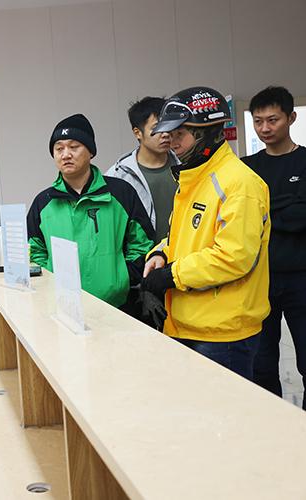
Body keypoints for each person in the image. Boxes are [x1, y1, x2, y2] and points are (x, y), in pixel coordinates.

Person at [143, 86, 270, 380]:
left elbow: (234, 256)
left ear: (209, 133)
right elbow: (182, 237)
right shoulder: (194, 178)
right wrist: (160, 254)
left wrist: (172, 275)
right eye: (169, 133)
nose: (172, 142)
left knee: (225, 409)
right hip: (188, 324)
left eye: (180, 134)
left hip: (223, 334)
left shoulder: (239, 183)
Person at [27, 113, 155, 310]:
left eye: (74, 147)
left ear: (91, 152)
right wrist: (51, 277)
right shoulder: (43, 202)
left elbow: (142, 243)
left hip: (117, 306)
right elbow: (34, 250)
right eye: (59, 148)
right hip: (63, 307)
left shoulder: (120, 193)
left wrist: (121, 278)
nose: (66, 154)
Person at [241, 86, 306, 407]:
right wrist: (287, 204)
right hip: (258, 279)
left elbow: (299, 218)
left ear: (291, 118)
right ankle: (272, 423)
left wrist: (267, 209)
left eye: (273, 120)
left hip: (301, 278)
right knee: (261, 363)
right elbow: (244, 219)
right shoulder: (246, 167)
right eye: (258, 121)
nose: (265, 128)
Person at [106, 96, 179, 243]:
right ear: (137, 133)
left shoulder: (186, 165)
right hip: (143, 255)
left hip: (185, 254)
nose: (165, 134)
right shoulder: (118, 175)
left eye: (168, 126)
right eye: (156, 128)